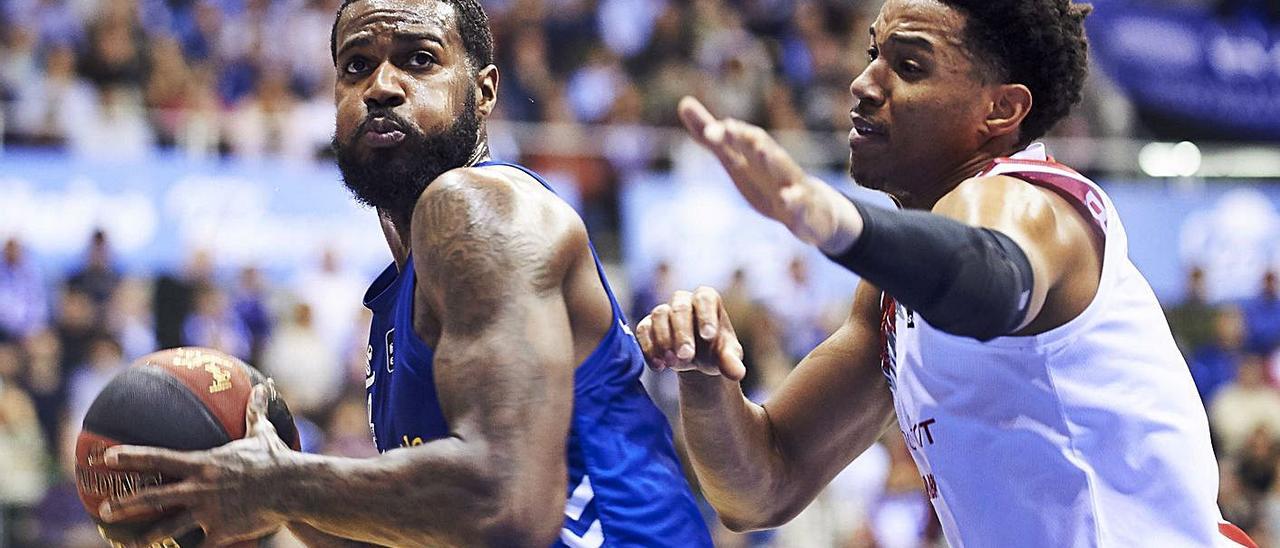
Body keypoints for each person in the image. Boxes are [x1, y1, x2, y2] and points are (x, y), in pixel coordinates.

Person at [636, 0, 1257, 546]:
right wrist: (706, 377)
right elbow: (761, 489)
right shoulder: (889, 293)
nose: (862, 83)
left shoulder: (1028, 202)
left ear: (1001, 110)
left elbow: (990, 278)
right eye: (872, 53)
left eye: (908, 66)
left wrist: (832, 218)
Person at [96, 0, 711, 546]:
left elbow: (509, 504)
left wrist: (281, 484)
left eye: (419, 60)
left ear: (485, 90)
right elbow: (426, 528)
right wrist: (259, 489)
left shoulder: (475, 209)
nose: (381, 87)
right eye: (356, 66)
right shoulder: (399, 297)